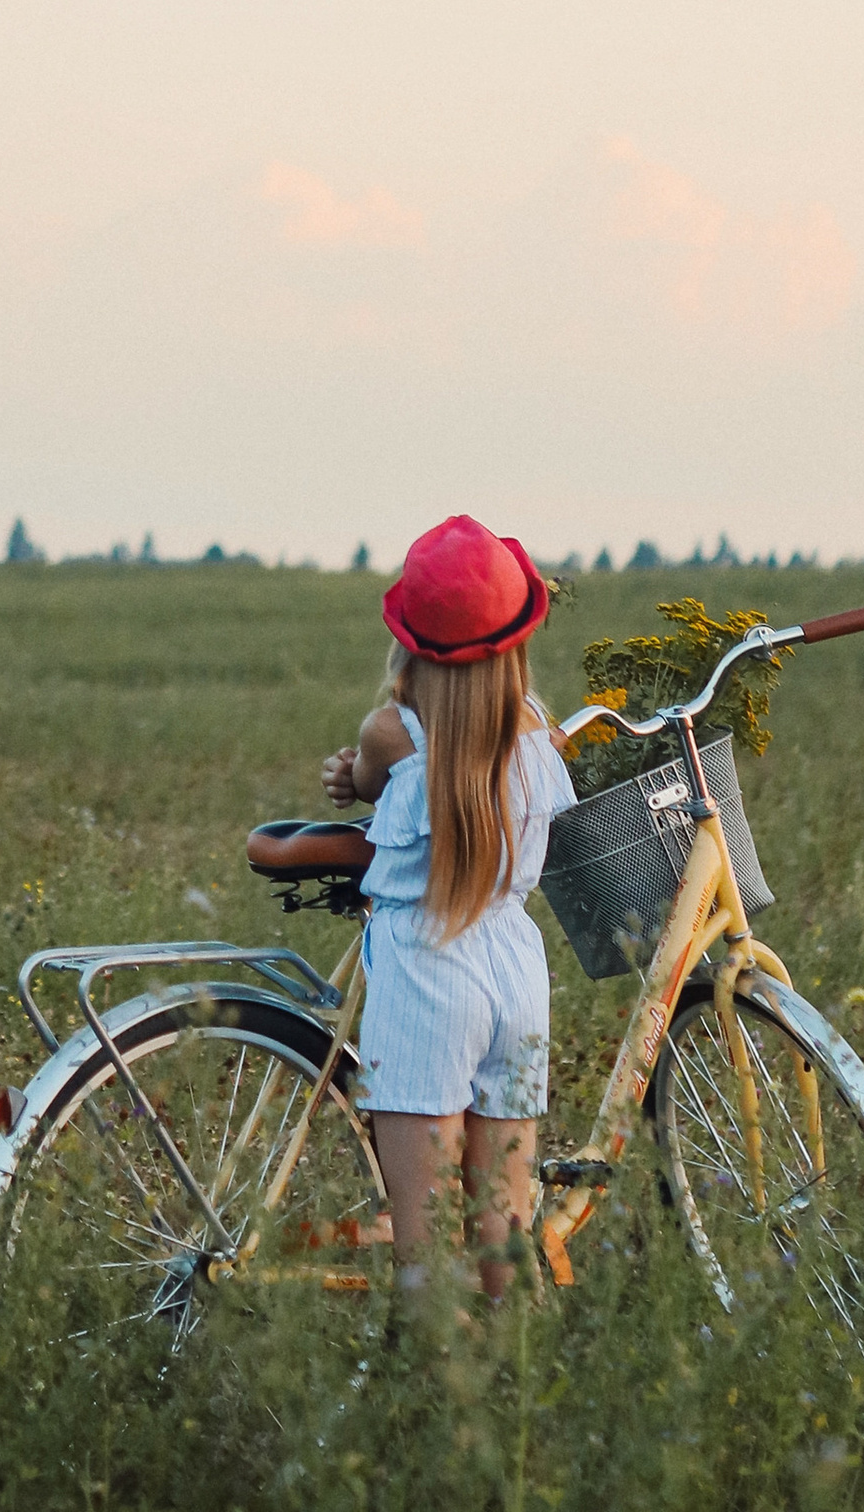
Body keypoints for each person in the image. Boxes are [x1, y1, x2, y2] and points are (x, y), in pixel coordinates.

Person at [321, 515, 577, 1310]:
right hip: (515, 972)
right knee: (506, 1218)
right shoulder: (536, 731)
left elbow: (366, 782)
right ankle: (514, 1357)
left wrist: (347, 778)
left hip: (427, 972)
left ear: (411, 644)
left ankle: (436, 1370)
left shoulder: (391, 732)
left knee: (424, 1230)